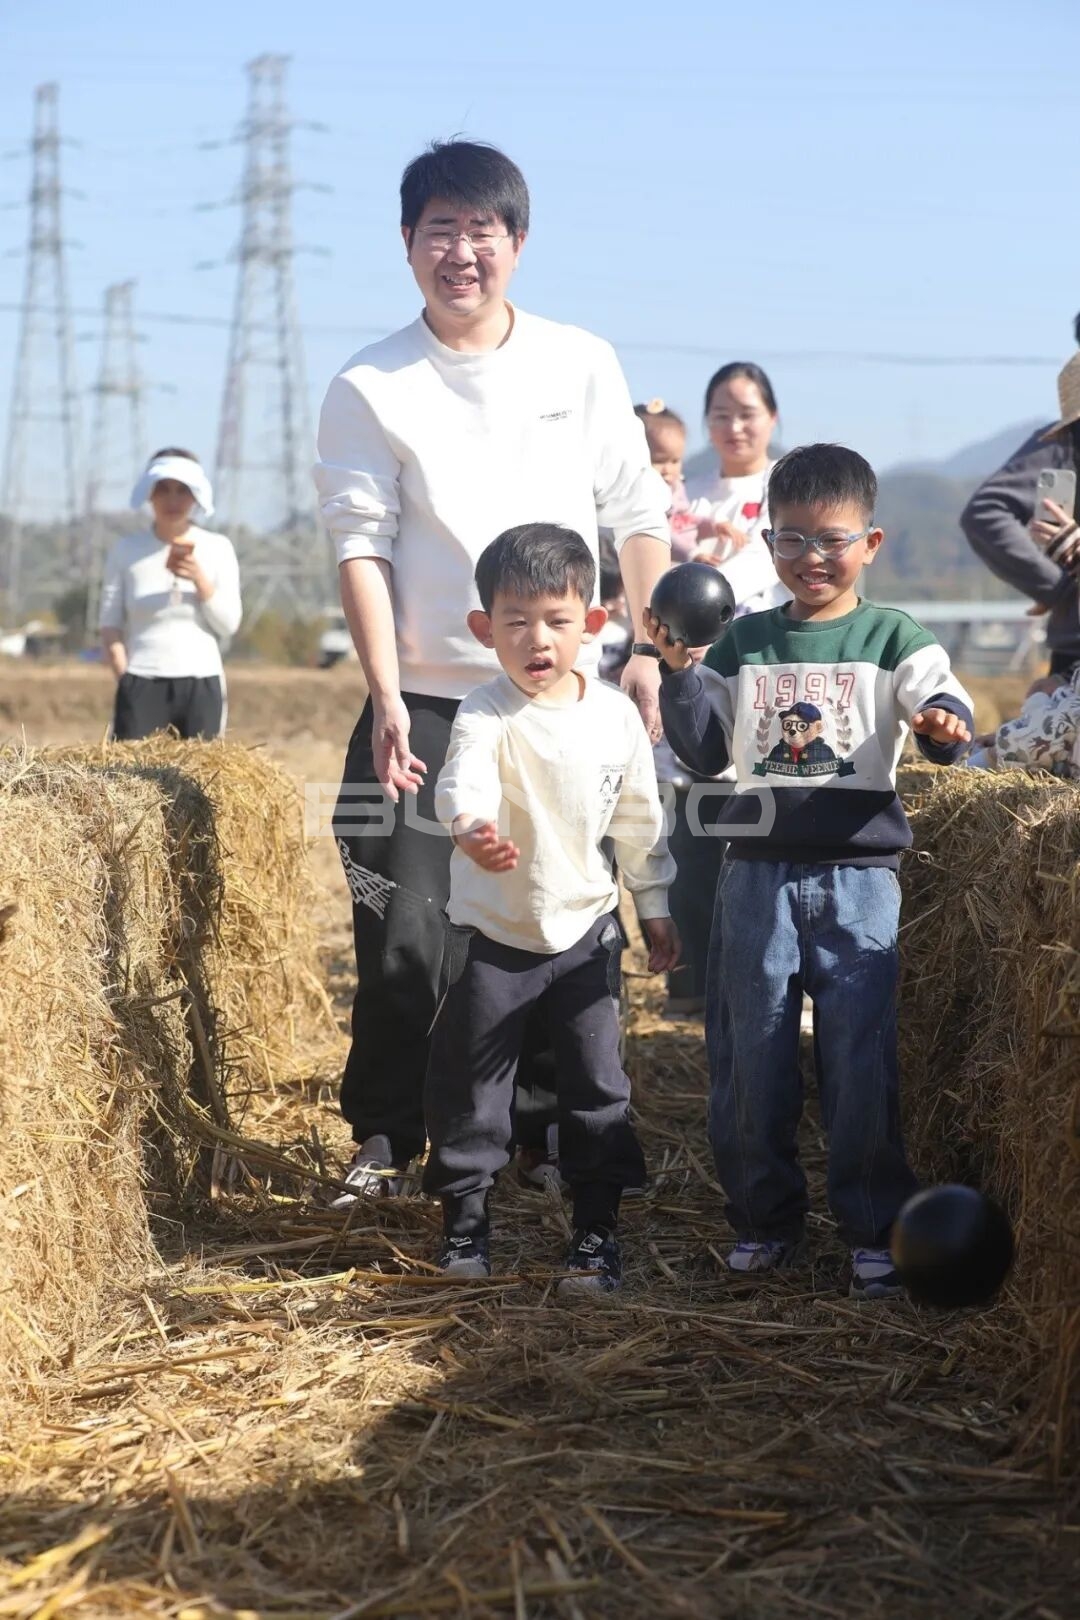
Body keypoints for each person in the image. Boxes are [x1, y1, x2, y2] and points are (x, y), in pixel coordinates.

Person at [312, 140, 671, 1201]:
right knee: (403, 931)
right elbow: (360, 547)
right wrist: (384, 693)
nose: (460, 252)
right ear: (407, 241)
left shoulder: (579, 361)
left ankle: (545, 1134)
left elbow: (636, 515)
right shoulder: (368, 384)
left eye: (482, 231)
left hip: (562, 701)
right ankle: (384, 1135)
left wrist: (642, 651)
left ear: (517, 242)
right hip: (425, 697)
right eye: (439, 230)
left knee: (556, 920)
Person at [646, 443, 974, 1300]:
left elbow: (936, 701)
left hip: (860, 881)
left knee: (859, 1055)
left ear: (872, 542)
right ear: (766, 542)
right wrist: (677, 671)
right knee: (752, 1052)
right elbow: (704, 750)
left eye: (831, 541)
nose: (811, 559)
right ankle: (763, 1218)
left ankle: (871, 1224)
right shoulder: (744, 641)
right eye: (790, 541)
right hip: (753, 875)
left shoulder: (891, 635)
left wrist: (944, 720)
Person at [423, 524, 679, 1291]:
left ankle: (596, 1236)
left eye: (558, 621)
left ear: (593, 624)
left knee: (597, 1089)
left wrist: (654, 903)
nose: (538, 640)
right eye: (516, 622)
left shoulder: (613, 716)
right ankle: (465, 1232)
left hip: (584, 936)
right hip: (493, 936)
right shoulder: (484, 711)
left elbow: (638, 818)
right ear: (483, 629)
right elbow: (460, 781)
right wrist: (469, 827)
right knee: (475, 1091)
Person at [961, 320, 1080, 677]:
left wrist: (1060, 584)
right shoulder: (1065, 443)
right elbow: (985, 513)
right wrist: (1058, 585)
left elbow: (985, 513)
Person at [99, 449, 241, 740]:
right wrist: (124, 676)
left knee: (202, 776)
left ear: (197, 497)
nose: (172, 500)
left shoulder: (218, 547)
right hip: (141, 679)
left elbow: (229, 624)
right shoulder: (127, 550)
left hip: (201, 680)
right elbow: (109, 622)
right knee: (127, 778)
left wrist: (200, 580)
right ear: (149, 495)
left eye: (182, 491)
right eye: (163, 489)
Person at [686, 361, 787, 617]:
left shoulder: (788, 483)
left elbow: (765, 559)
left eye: (747, 414)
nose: (734, 427)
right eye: (721, 415)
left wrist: (693, 602)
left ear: (772, 417)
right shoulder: (685, 493)